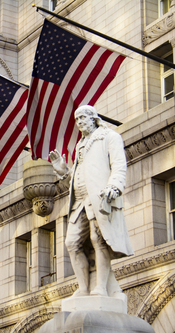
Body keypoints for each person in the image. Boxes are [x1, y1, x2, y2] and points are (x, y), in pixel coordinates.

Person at [49, 105, 134, 298]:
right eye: (77, 119)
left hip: (99, 199)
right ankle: (84, 288)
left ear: (93, 118)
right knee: (72, 242)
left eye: (82, 118)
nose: (79, 123)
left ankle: (101, 288)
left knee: (99, 240)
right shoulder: (81, 144)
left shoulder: (109, 137)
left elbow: (119, 166)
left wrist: (114, 187)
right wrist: (64, 172)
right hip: (79, 202)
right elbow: (83, 174)